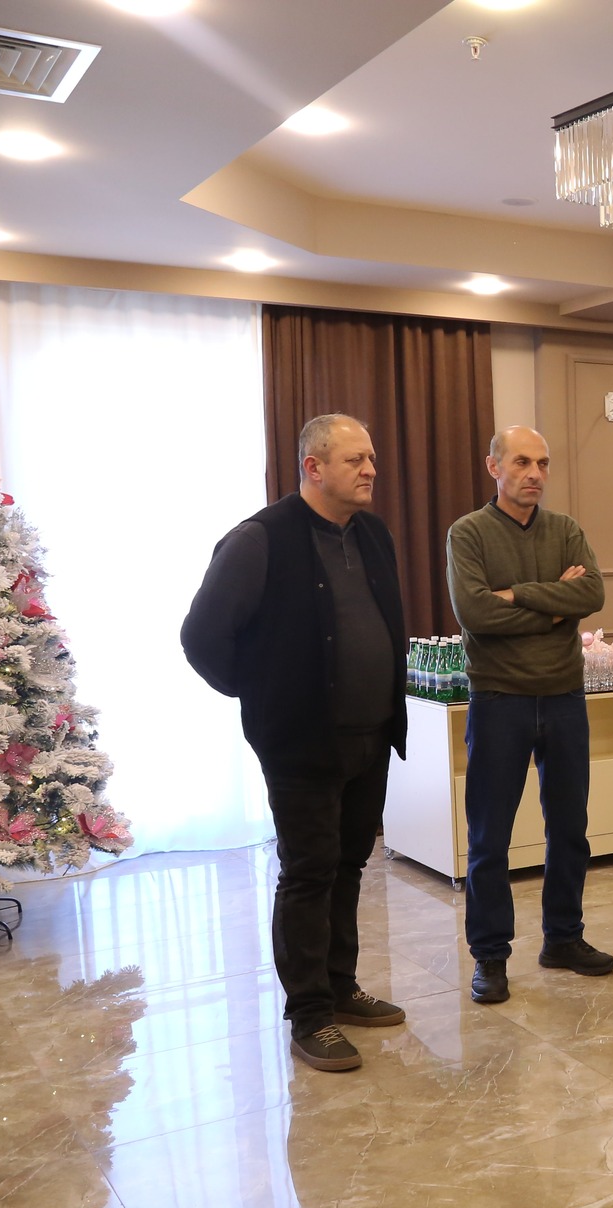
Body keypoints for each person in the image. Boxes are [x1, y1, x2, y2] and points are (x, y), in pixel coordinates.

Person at [180, 414, 408, 1073]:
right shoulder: (260, 539)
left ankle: (340, 986)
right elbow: (201, 637)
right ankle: (309, 1015)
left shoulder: (373, 533)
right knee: (309, 871)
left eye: (371, 458)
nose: (370, 470)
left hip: (371, 732)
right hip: (299, 740)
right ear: (313, 467)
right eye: (355, 460)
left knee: (349, 864)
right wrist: (262, 694)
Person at [447, 425, 613, 1004]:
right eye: (521, 462)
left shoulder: (565, 530)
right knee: (490, 838)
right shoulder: (468, 533)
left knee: (569, 830)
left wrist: (515, 594)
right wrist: (553, 605)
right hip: (499, 700)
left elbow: (591, 595)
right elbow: (476, 613)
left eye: (542, 463)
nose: (535, 474)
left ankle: (563, 938)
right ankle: (490, 956)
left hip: (564, 697)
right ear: (494, 467)